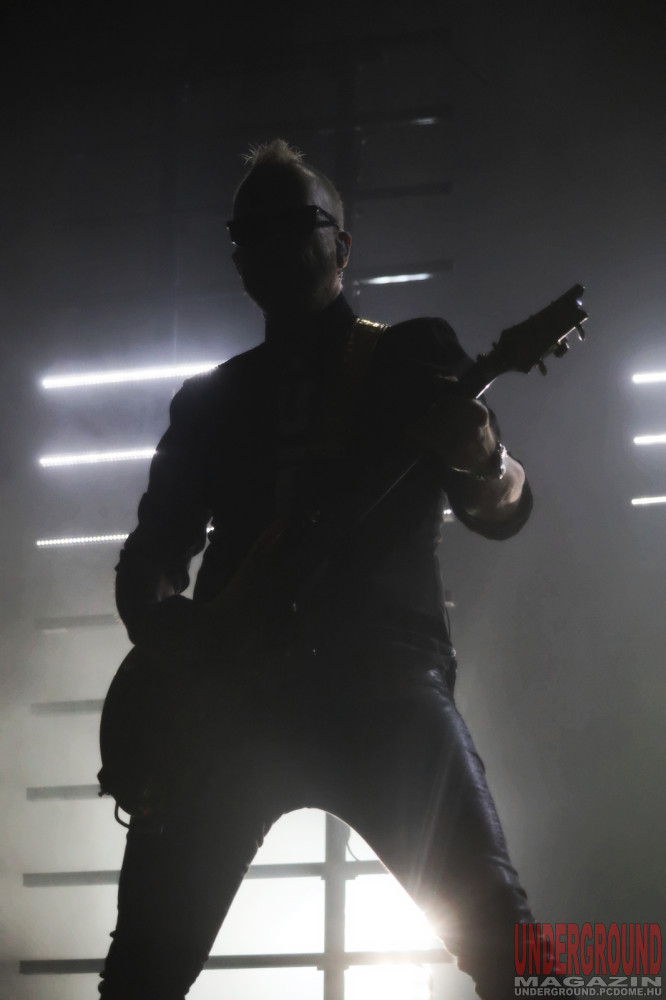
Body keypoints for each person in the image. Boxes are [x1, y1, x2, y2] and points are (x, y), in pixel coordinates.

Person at [99, 138, 536, 1000]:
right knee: (139, 978)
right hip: (232, 704)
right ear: (238, 260)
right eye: (250, 230)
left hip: (383, 684)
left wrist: (487, 458)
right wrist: (175, 643)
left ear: (343, 244)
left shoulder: (412, 353)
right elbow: (149, 561)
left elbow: (503, 509)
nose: (273, 242)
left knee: (511, 950)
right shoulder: (208, 400)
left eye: (295, 222)